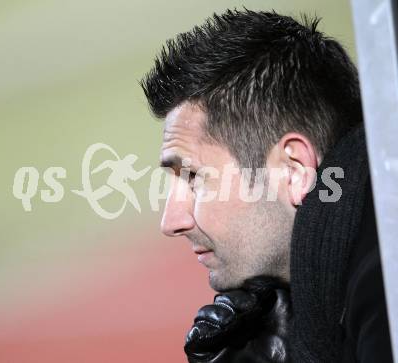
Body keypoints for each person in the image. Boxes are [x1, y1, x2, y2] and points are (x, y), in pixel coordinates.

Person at [140, 9, 393, 362]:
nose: (171, 221)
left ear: (294, 170)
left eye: (194, 177)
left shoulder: (385, 278)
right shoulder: (356, 245)